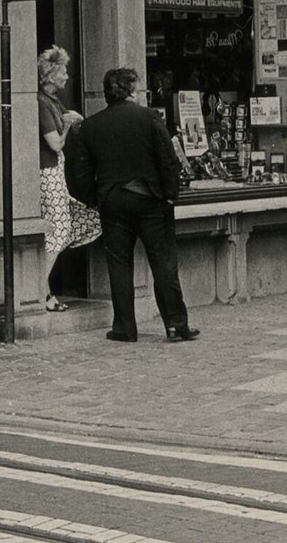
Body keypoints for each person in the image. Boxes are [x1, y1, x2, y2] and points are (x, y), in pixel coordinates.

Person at [70, 67, 199, 343]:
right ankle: (175, 324)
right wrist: (170, 194)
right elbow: (168, 160)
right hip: (150, 199)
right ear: (131, 91)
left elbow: (80, 173)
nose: (140, 93)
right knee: (163, 262)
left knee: (119, 265)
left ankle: (125, 328)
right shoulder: (149, 117)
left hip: (112, 201)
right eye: (138, 89)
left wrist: (95, 199)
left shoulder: (90, 126)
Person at [36, 46, 102, 313]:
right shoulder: (41, 103)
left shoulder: (51, 101)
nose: (66, 76)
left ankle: (43, 289)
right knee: (60, 229)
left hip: (55, 172)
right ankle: (39, 289)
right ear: (50, 75)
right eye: (62, 71)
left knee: (67, 224)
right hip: (48, 172)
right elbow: (54, 144)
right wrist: (67, 125)